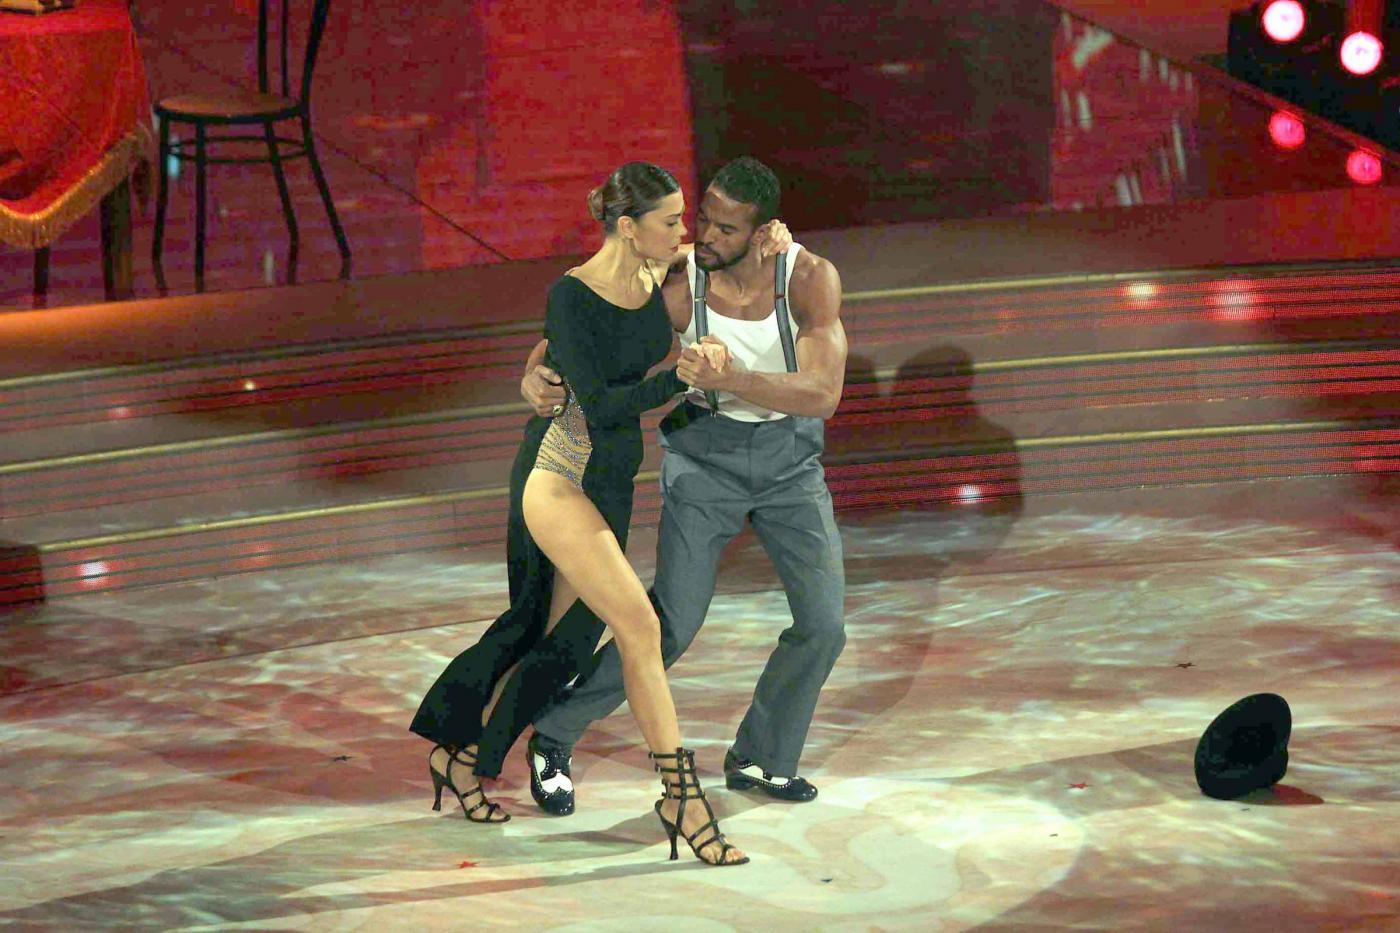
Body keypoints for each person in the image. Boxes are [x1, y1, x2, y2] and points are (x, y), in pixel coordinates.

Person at [409, 161, 784, 867]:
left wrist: (774, 241)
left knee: (552, 640)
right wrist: (678, 378)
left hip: (609, 483)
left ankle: (459, 757)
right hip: (559, 475)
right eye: (670, 219)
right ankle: (682, 798)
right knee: (639, 625)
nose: (684, 230)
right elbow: (602, 401)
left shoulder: (656, 265)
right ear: (628, 226)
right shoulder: (571, 293)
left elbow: (722, 251)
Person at [520, 156, 848, 818]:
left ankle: (762, 755)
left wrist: (733, 380)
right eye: (703, 220)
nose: (706, 237)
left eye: (727, 229)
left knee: (823, 624)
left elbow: (823, 394)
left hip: (789, 465)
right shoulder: (679, 278)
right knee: (669, 625)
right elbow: (582, 330)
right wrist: (533, 373)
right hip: (704, 461)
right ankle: (553, 734)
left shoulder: (807, 276)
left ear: (763, 231)